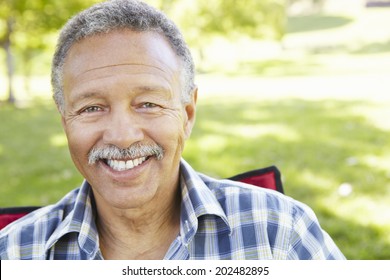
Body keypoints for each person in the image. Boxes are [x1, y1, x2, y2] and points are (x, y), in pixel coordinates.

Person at [0, 0, 345, 260]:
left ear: (187, 113)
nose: (122, 136)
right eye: (92, 108)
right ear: (65, 122)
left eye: (148, 103)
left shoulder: (279, 232)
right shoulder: (14, 254)